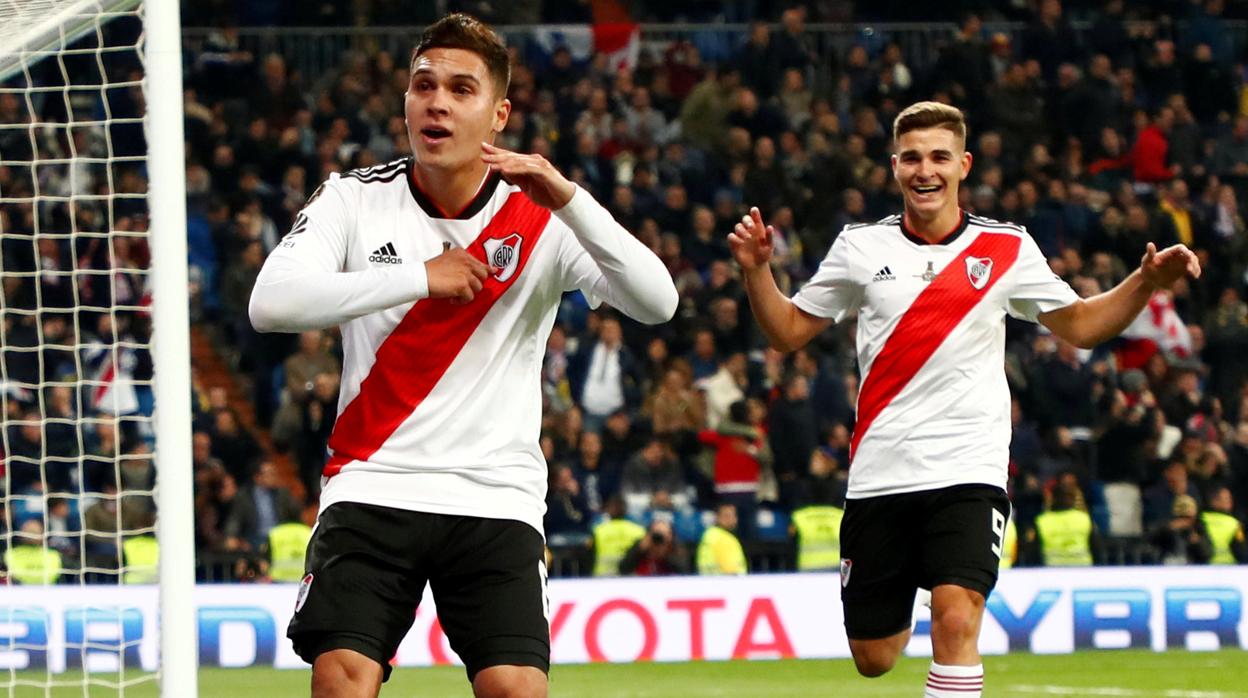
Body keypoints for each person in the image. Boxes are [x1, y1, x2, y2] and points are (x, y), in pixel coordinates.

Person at [248, 14, 677, 698]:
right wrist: (423, 276)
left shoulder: (543, 215)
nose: (437, 101)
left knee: (515, 689)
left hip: (495, 493)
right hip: (374, 480)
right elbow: (270, 304)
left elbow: (659, 303)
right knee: (340, 681)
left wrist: (569, 197)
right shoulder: (353, 198)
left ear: (498, 114)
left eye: (460, 88)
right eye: (424, 85)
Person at [727, 101, 1200, 697]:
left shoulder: (1007, 249)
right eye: (913, 158)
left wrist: (1144, 282)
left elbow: (1080, 326)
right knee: (874, 657)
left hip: (968, 468)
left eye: (940, 157)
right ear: (894, 166)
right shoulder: (859, 248)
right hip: (882, 473)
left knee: (957, 612)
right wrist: (756, 272)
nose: (926, 170)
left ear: (964, 165)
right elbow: (787, 332)